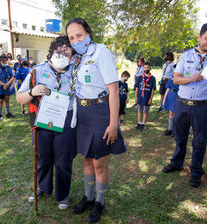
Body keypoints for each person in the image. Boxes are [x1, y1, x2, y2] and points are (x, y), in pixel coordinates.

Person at [66, 18, 126, 223]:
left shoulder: (101, 52)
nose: (75, 41)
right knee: (86, 159)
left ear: (89, 34)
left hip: (101, 111)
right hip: (82, 114)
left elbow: (114, 90)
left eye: (79, 35)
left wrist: (113, 123)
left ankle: (100, 201)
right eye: (71, 38)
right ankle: (88, 197)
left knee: (99, 163)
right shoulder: (77, 58)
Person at [162, 22, 207, 188]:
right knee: (180, 137)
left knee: (200, 141)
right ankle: (177, 163)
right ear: (199, 37)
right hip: (182, 104)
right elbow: (176, 79)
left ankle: (196, 172)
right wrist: (191, 78)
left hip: (203, 106)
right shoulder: (186, 56)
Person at [16, 35, 77, 210]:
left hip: (66, 120)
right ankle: (42, 187)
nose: (63, 54)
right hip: (43, 121)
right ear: (52, 51)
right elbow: (20, 98)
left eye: (68, 52)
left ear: (72, 55)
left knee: (63, 160)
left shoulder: (75, 71)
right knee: (43, 158)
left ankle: (63, 194)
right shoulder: (37, 71)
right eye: (60, 50)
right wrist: (33, 92)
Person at [0, 54, 16, 121]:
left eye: (6, 60)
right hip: (0, 86)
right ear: (0, 61)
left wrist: (7, 84)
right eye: (3, 61)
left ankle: (7, 113)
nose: (5, 62)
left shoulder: (9, 68)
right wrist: (3, 84)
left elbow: (12, 77)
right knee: (0, 100)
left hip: (8, 86)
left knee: (7, 100)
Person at [134, 62, 156, 131]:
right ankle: (139, 123)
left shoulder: (152, 78)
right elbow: (137, 87)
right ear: (143, 69)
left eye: (147, 68)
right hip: (140, 97)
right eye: (145, 68)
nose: (146, 69)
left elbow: (153, 89)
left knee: (145, 111)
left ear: (150, 68)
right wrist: (136, 97)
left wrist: (150, 99)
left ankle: (143, 124)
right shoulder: (140, 77)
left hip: (147, 97)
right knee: (139, 110)